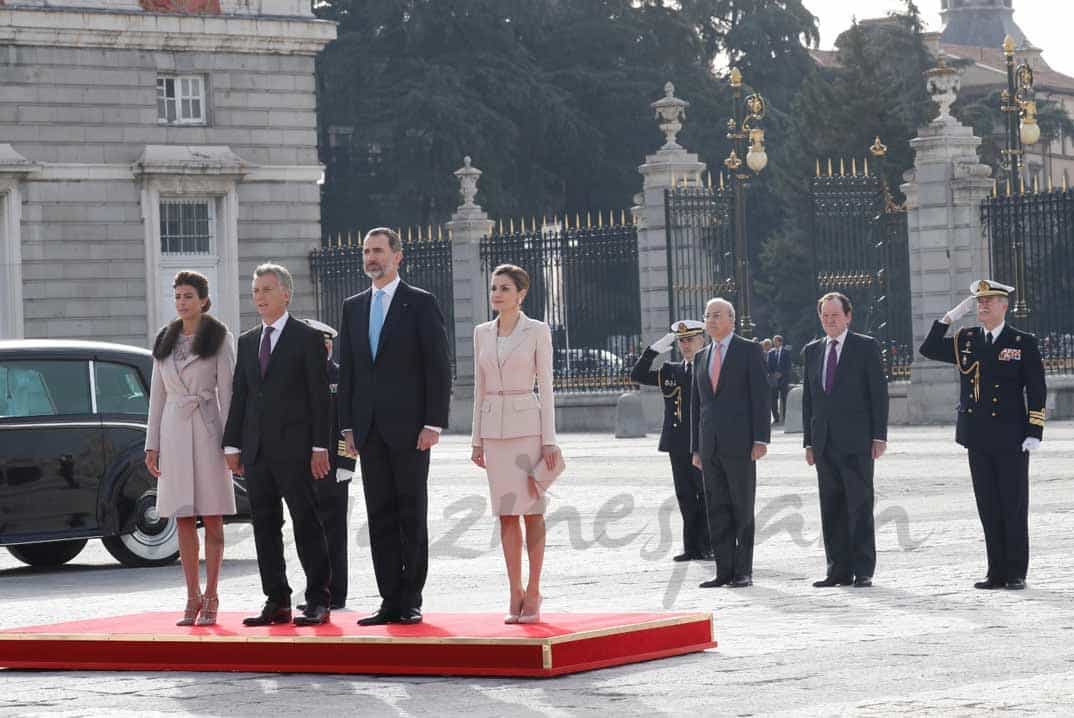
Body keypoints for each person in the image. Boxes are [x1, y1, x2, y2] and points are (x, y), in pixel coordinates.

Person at [338, 228, 452, 626]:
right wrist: (347, 426)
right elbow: (349, 371)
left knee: (411, 513)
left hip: (410, 428)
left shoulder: (420, 303)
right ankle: (388, 599)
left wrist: (433, 421)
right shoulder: (352, 307)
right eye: (366, 251)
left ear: (397, 256)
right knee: (379, 516)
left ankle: (411, 598)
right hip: (367, 430)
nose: (372, 258)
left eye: (379, 251)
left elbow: (437, 366)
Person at [223, 263, 333, 627]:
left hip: (297, 451)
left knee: (306, 523)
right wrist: (232, 445)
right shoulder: (247, 340)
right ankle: (277, 599)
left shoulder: (306, 339)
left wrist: (320, 446)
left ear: (286, 294)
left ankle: (318, 599)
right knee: (264, 526)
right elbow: (241, 395)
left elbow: (320, 398)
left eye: (267, 290)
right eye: (255, 291)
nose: (259, 297)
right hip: (256, 452)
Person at [919, 279, 1046, 590]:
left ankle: (1016, 571)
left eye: (989, 301)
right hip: (977, 435)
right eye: (979, 301)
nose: (983, 306)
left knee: (1012, 505)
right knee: (988, 505)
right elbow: (928, 349)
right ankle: (996, 571)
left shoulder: (1021, 341)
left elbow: (1037, 389)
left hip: (1012, 436)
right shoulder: (967, 338)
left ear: (1004, 306)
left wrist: (1035, 430)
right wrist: (948, 319)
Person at [470, 264, 560, 624]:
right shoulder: (481, 333)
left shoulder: (537, 331)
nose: (496, 293)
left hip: (529, 430)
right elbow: (479, 387)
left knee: (533, 511)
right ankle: (514, 590)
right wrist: (477, 440)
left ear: (521, 294)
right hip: (494, 432)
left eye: (504, 288)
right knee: (505, 513)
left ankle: (535, 588)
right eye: (494, 287)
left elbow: (548, 388)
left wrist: (550, 440)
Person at [145, 271, 236, 626]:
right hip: (173, 433)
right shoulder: (165, 339)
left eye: (188, 296)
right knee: (182, 516)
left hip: (209, 430)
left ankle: (212, 595)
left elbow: (228, 394)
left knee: (212, 516)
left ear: (203, 300)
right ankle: (191, 596)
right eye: (178, 296)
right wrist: (152, 444)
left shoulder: (220, 337)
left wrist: (233, 445)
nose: (181, 302)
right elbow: (157, 396)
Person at [801, 293, 888, 588]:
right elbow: (809, 401)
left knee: (859, 505)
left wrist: (879, 436)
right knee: (831, 507)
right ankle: (837, 569)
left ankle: (863, 569)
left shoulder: (865, 347)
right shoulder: (812, 351)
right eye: (824, 316)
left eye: (835, 316)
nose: (829, 321)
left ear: (848, 316)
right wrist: (809, 442)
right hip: (824, 443)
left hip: (857, 441)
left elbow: (878, 394)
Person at [690, 298, 770, 588]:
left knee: (741, 507)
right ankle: (723, 570)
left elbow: (760, 397)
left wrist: (760, 438)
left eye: (717, 316)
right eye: (707, 315)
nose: (711, 320)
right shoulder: (701, 356)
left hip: (741, 444)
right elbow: (696, 406)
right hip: (709, 446)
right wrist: (695, 447)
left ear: (732, 320)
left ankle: (743, 570)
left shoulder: (748, 350)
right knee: (717, 508)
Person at [630, 319, 712, 563]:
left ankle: (708, 545)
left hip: (702, 441)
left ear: (702, 341)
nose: (685, 345)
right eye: (682, 341)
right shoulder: (671, 370)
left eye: (691, 340)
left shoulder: (709, 367)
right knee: (685, 494)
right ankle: (691, 547)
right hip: (677, 442)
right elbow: (638, 375)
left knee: (706, 494)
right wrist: (653, 350)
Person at [300, 318, 356, 611]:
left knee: (334, 532)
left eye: (326, 343)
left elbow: (348, 423)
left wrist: (347, 462)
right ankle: (316, 591)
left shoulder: (341, 377)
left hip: (334, 467)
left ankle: (338, 591)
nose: (323, 348)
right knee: (310, 532)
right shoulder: (299, 378)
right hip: (304, 468)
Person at [768, 334, 792, 423]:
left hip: (784, 379)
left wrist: (781, 373)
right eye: (773, 341)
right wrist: (773, 374)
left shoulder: (786, 352)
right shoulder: (771, 353)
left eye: (775, 341)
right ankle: (776, 418)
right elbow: (768, 366)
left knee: (784, 398)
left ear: (780, 342)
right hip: (773, 380)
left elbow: (788, 366)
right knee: (773, 399)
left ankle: (785, 417)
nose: (774, 343)